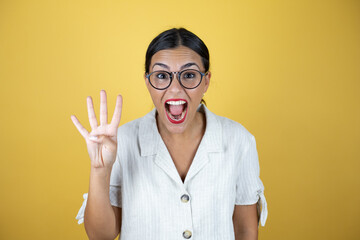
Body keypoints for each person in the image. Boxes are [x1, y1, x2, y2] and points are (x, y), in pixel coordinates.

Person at [71, 28, 268, 240]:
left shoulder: (239, 140)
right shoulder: (122, 142)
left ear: (206, 81)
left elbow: (245, 231)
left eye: (189, 75)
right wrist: (100, 170)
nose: (175, 89)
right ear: (148, 82)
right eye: (162, 76)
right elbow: (101, 236)